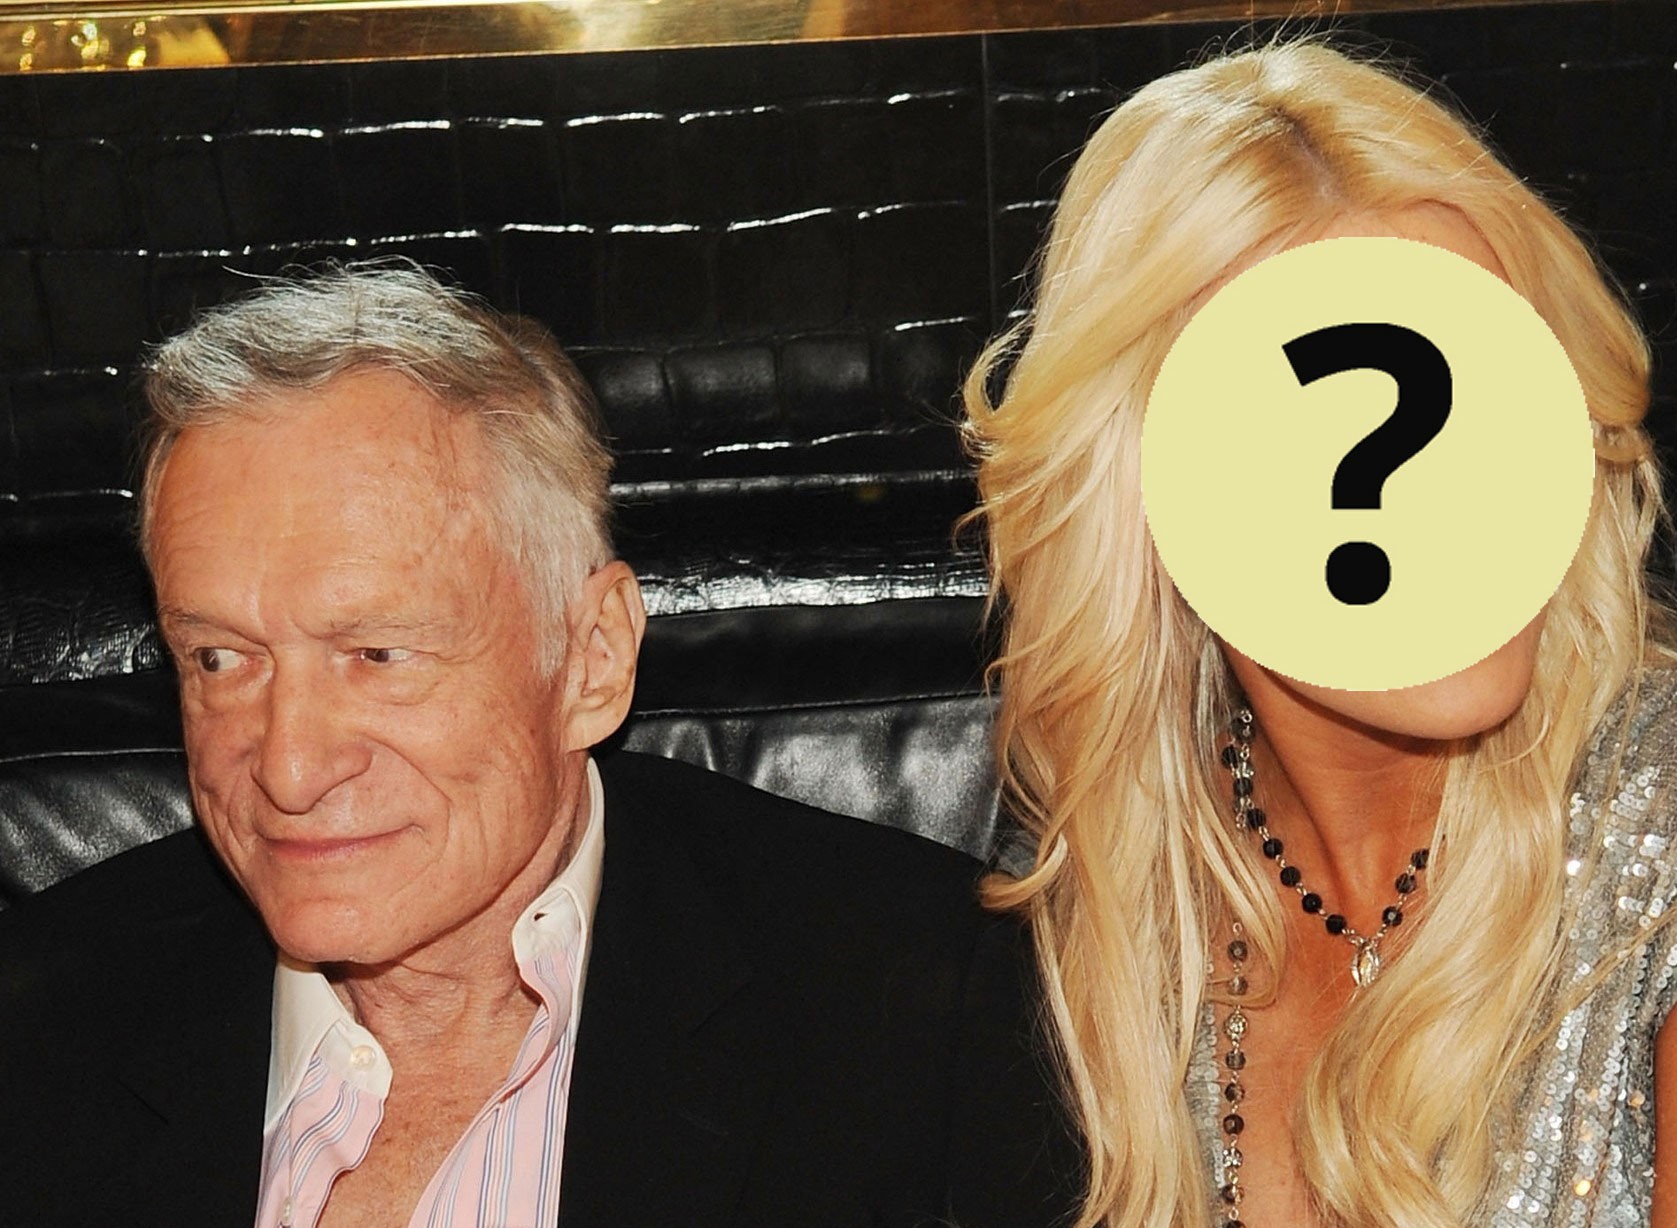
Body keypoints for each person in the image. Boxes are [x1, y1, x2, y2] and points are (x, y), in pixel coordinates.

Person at [961, 41, 1677, 1228]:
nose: (1445, 505)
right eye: (1331, 438)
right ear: (1157, 499)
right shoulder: (1116, 901)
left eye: (1484, 400)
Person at [0, 263, 1077, 1228]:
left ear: (592, 658)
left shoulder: (932, 1016)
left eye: (377, 653)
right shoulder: (39, 1025)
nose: (287, 767)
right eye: (220, 659)